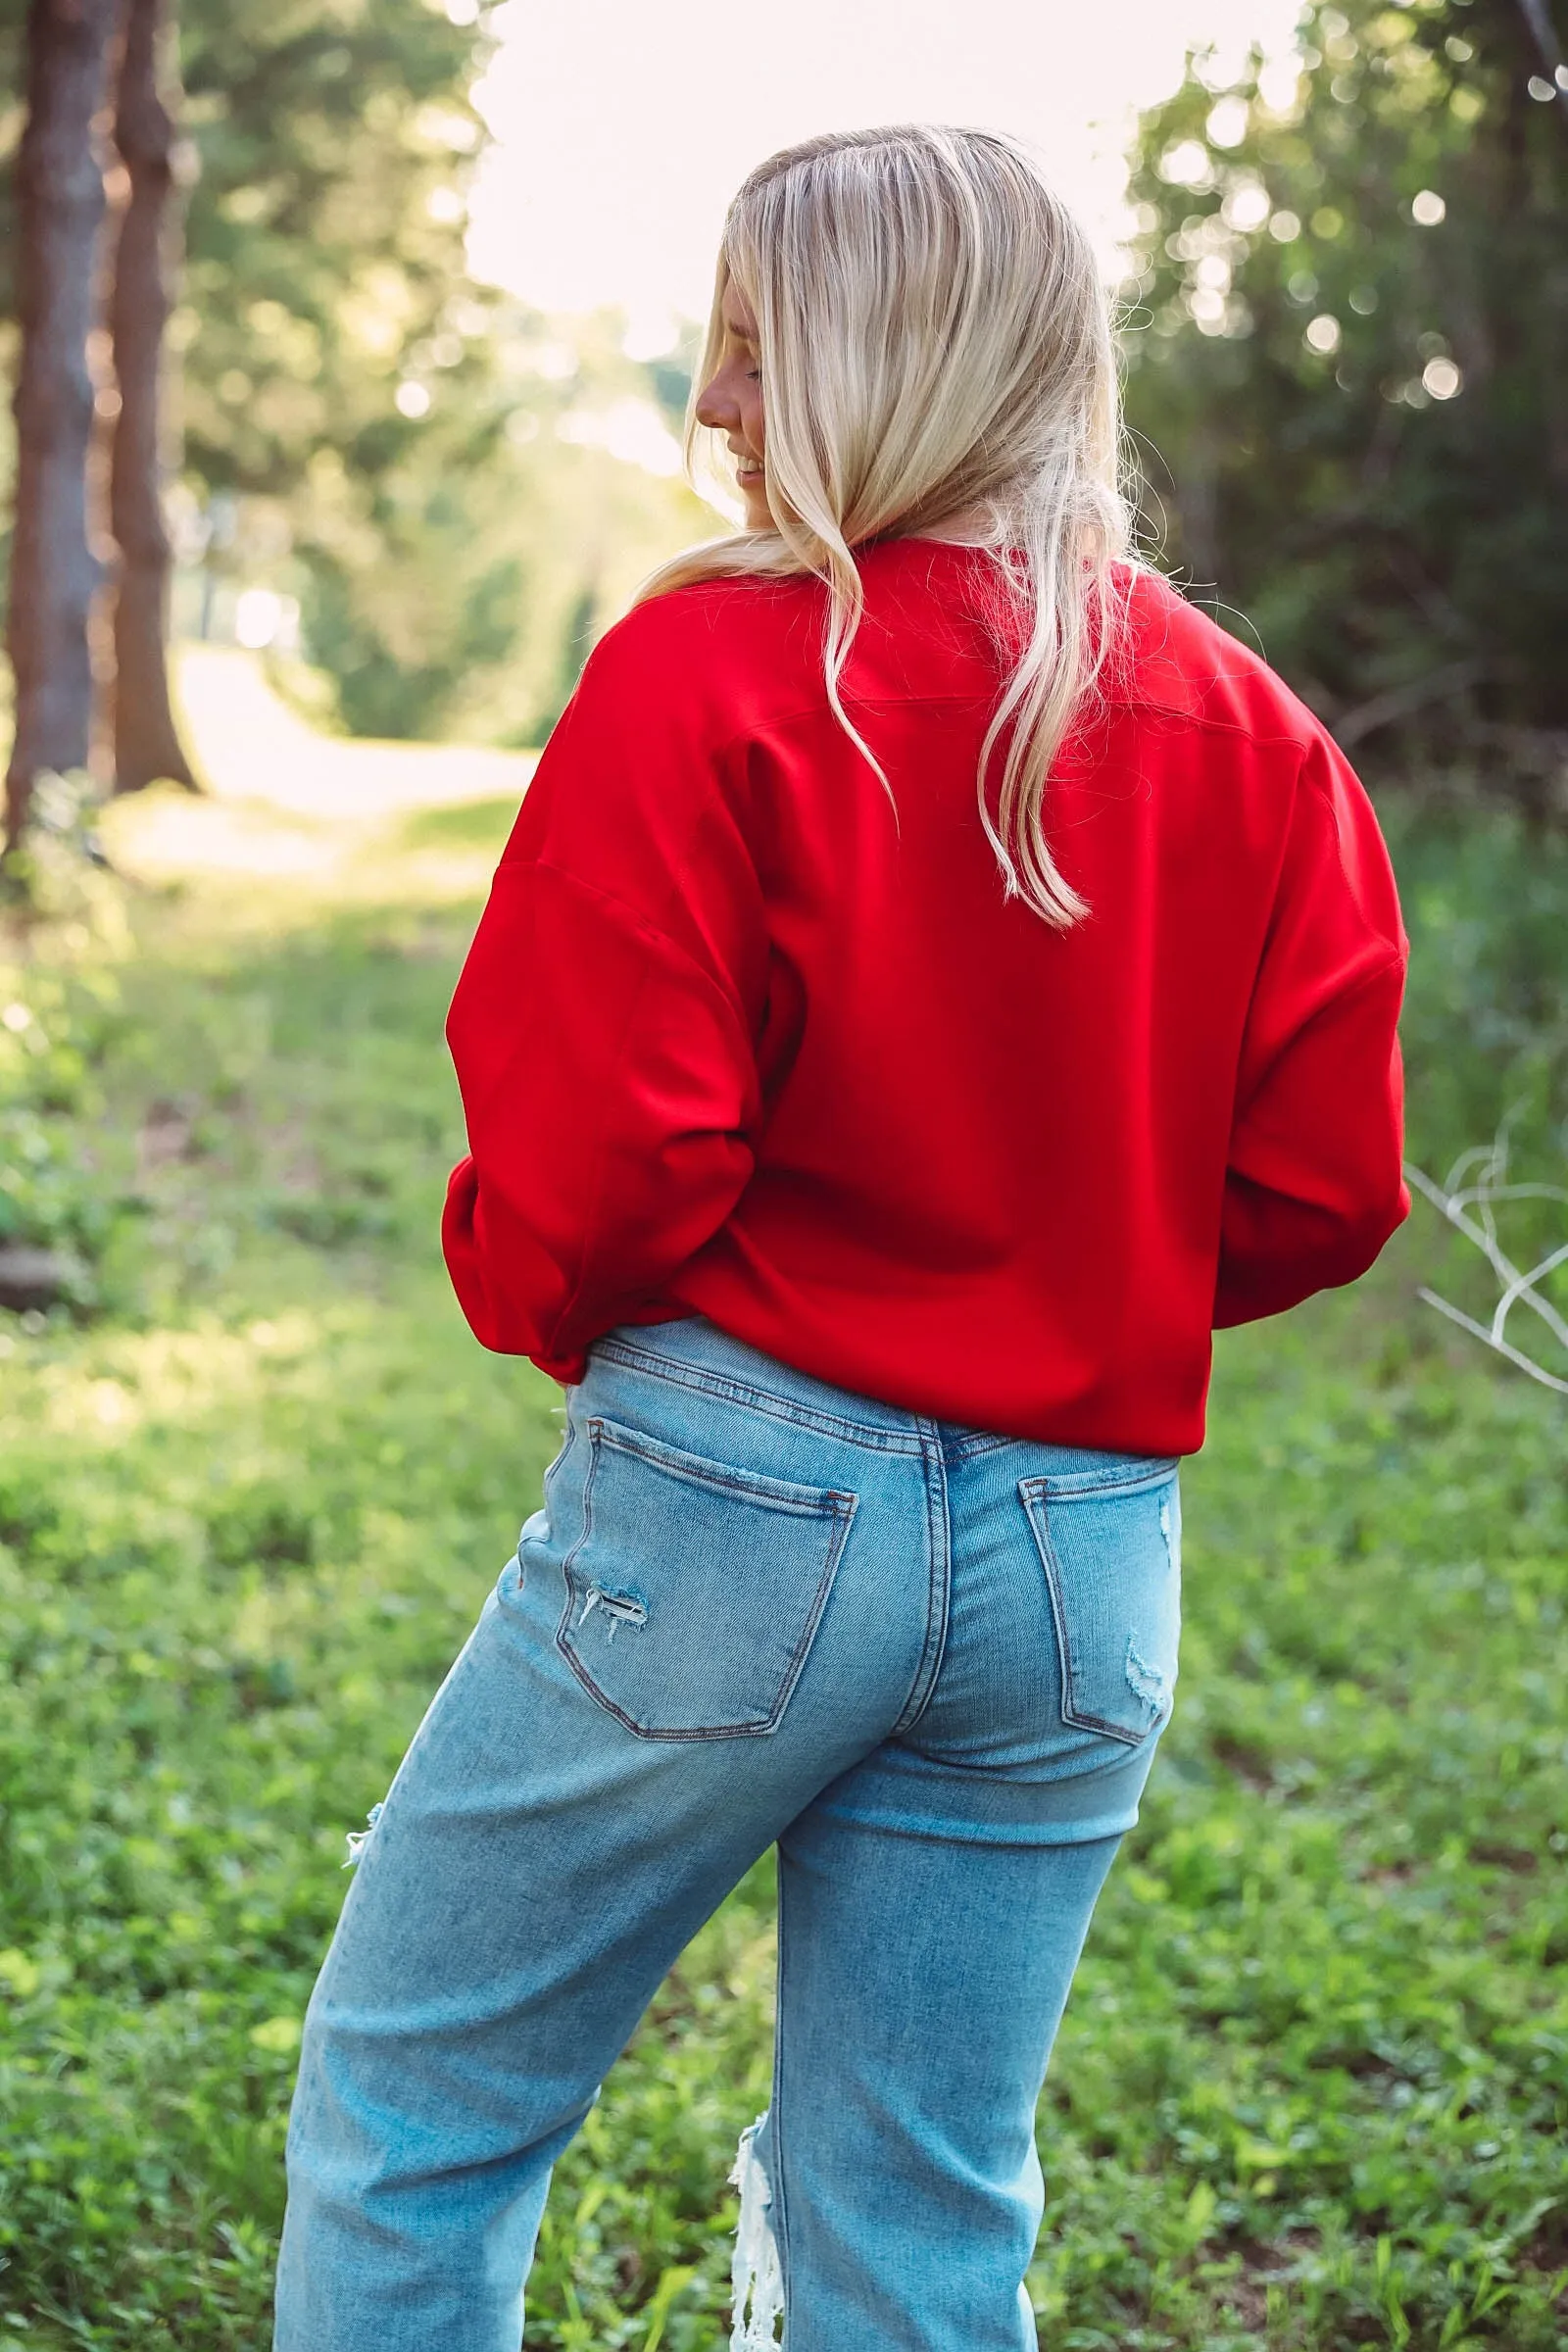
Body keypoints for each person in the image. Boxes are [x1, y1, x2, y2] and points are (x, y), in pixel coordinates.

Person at [273, 124, 1408, 2352]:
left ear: (889, 359)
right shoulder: (1249, 730)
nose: (710, 407)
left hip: (733, 1502)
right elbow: (1316, 1188)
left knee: (420, 2101)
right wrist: (1061, 1274)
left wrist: (583, 1321)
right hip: (1084, 1551)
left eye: (749, 348)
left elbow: (604, 1173)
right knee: (917, 2206)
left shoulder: (708, 680)